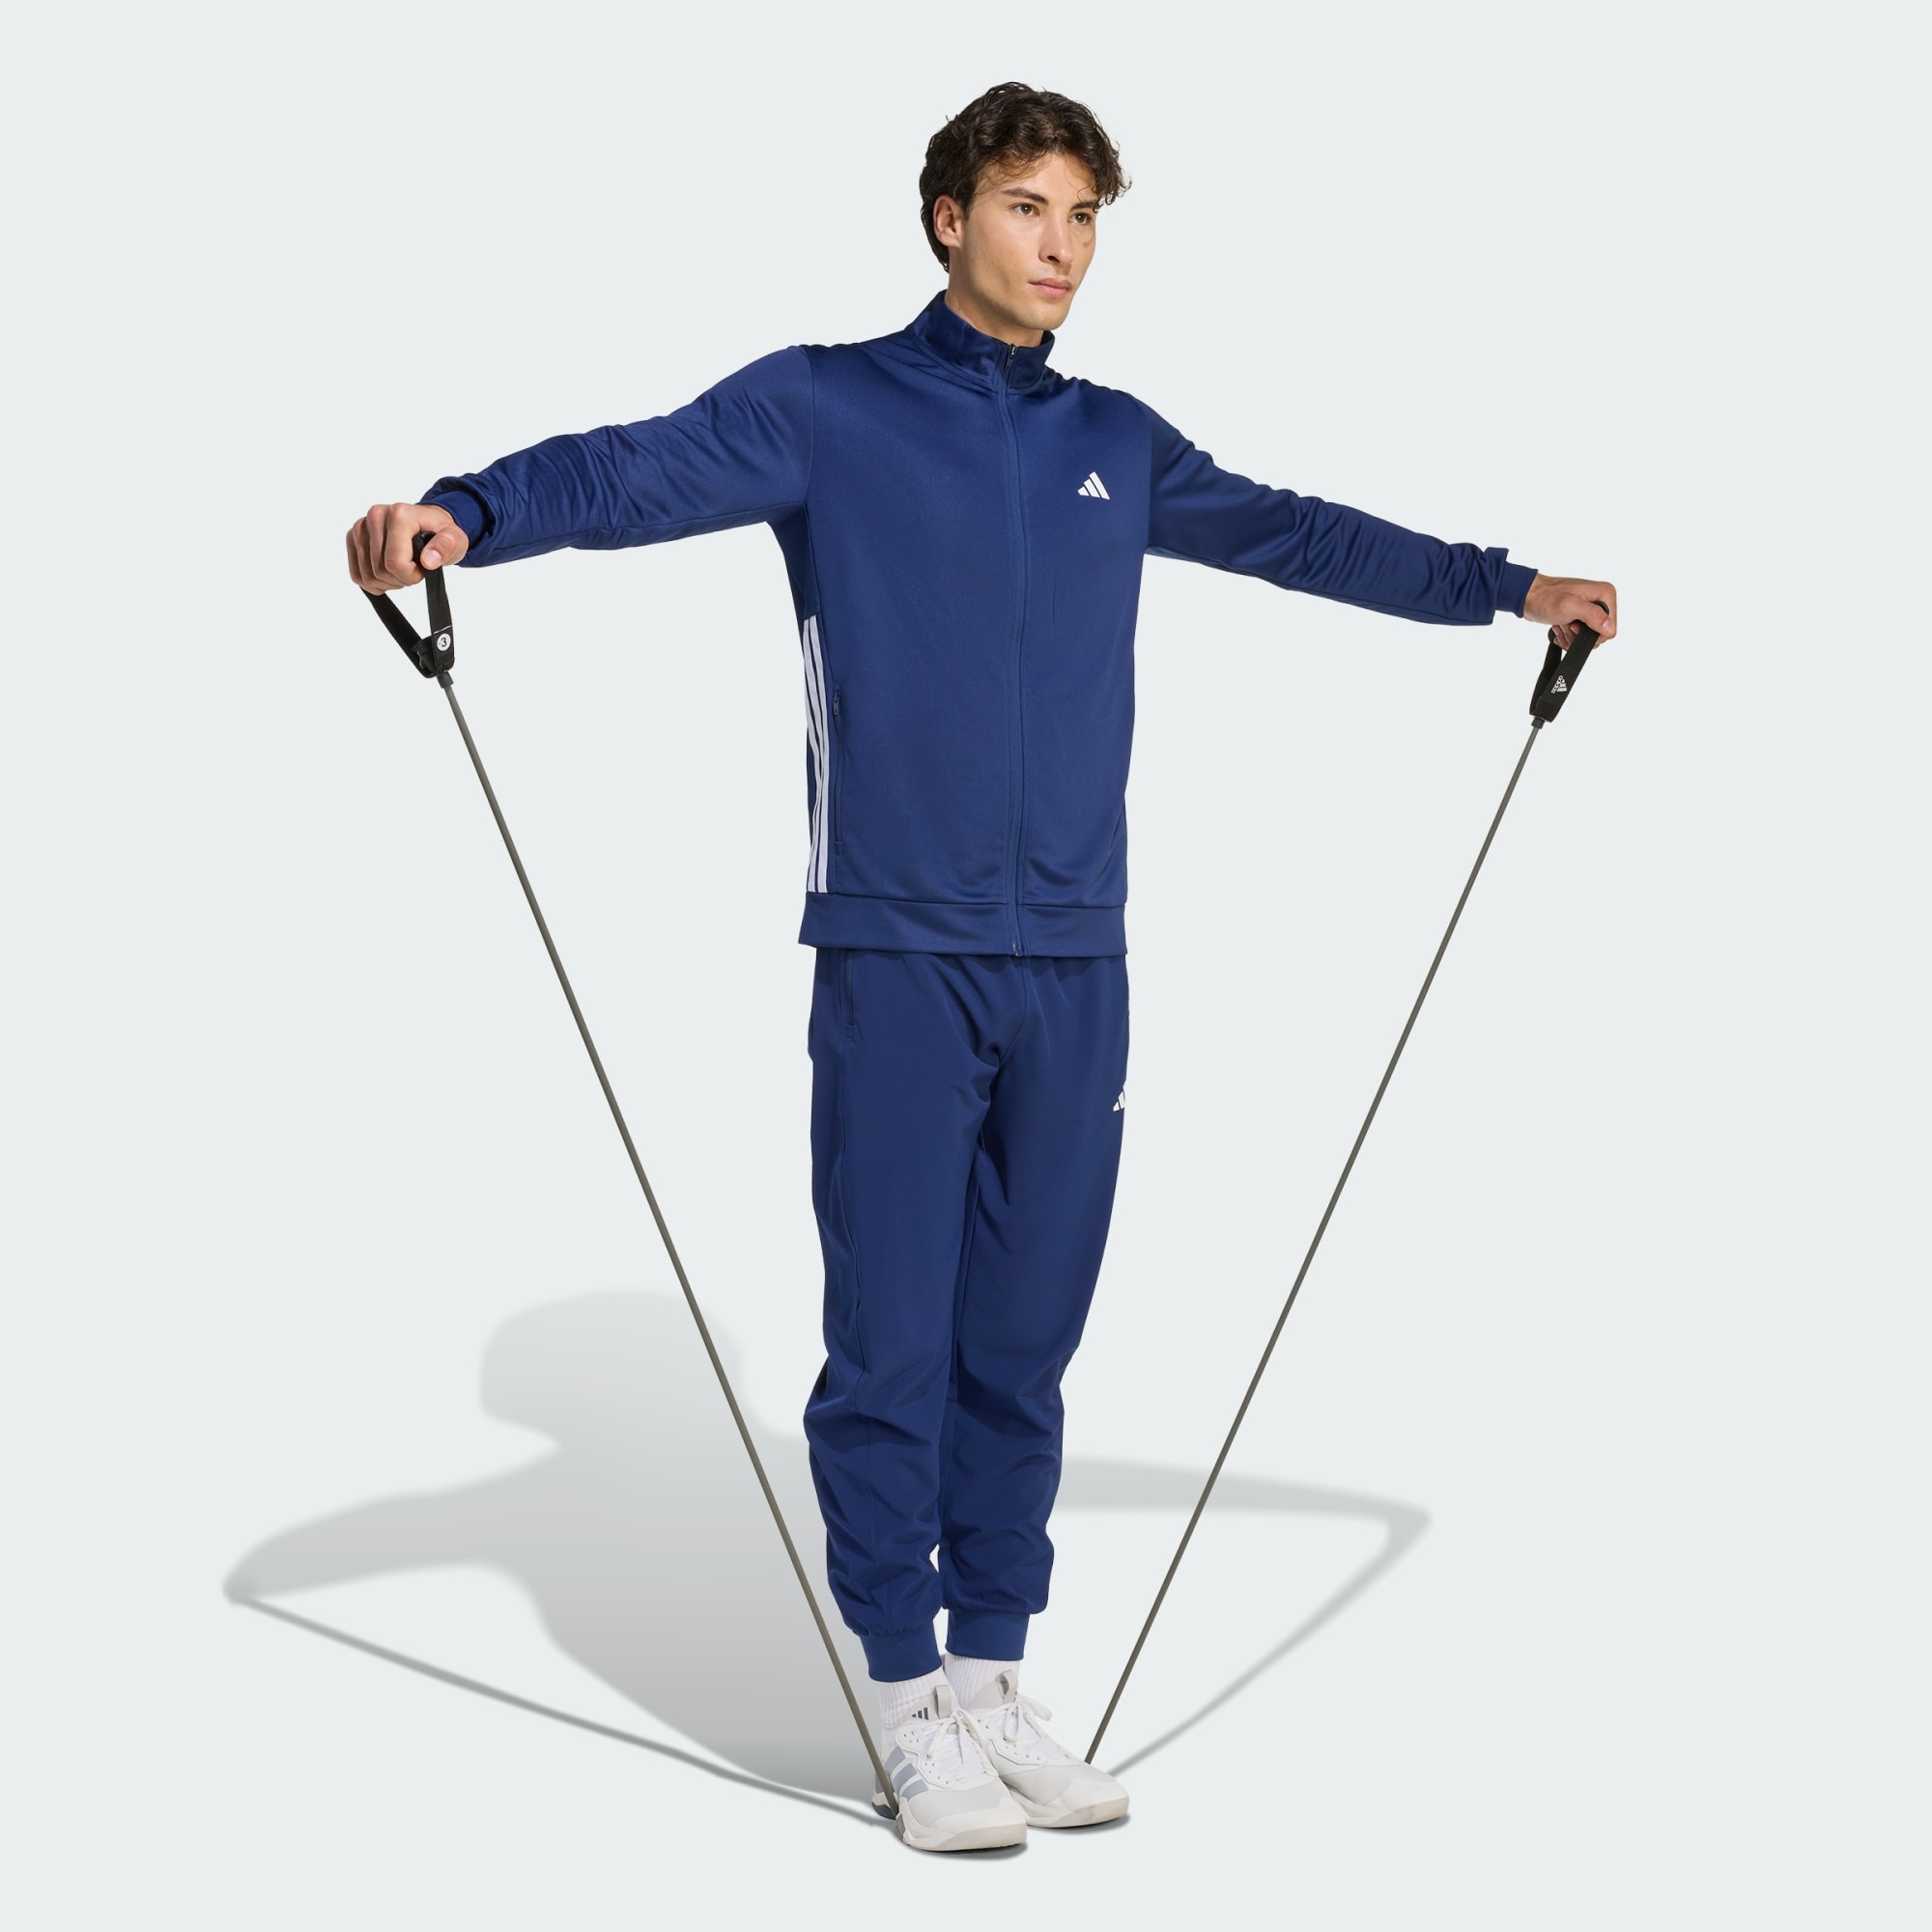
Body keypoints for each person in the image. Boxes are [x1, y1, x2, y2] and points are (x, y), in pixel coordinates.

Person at [346, 81, 1617, 1853]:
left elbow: (1297, 532)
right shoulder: (829, 405)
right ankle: (900, 1694)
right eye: (1031, 208)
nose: (1063, 247)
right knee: (895, 1342)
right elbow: (632, 468)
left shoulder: (1116, 439)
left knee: (1023, 1344)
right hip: (897, 949)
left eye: (1086, 216)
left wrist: (1507, 587)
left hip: (1077, 958)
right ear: (950, 217)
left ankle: (992, 1678)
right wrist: (467, 511)